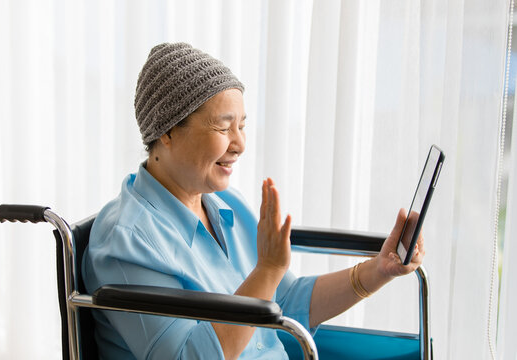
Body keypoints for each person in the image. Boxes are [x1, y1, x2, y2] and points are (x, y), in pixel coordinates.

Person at [82, 42, 424, 360]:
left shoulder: (226, 204)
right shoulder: (127, 239)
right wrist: (267, 269)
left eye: (242, 126)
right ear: (168, 132)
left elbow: (285, 302)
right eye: (223, 127)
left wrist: (379, 269)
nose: (240, 144)